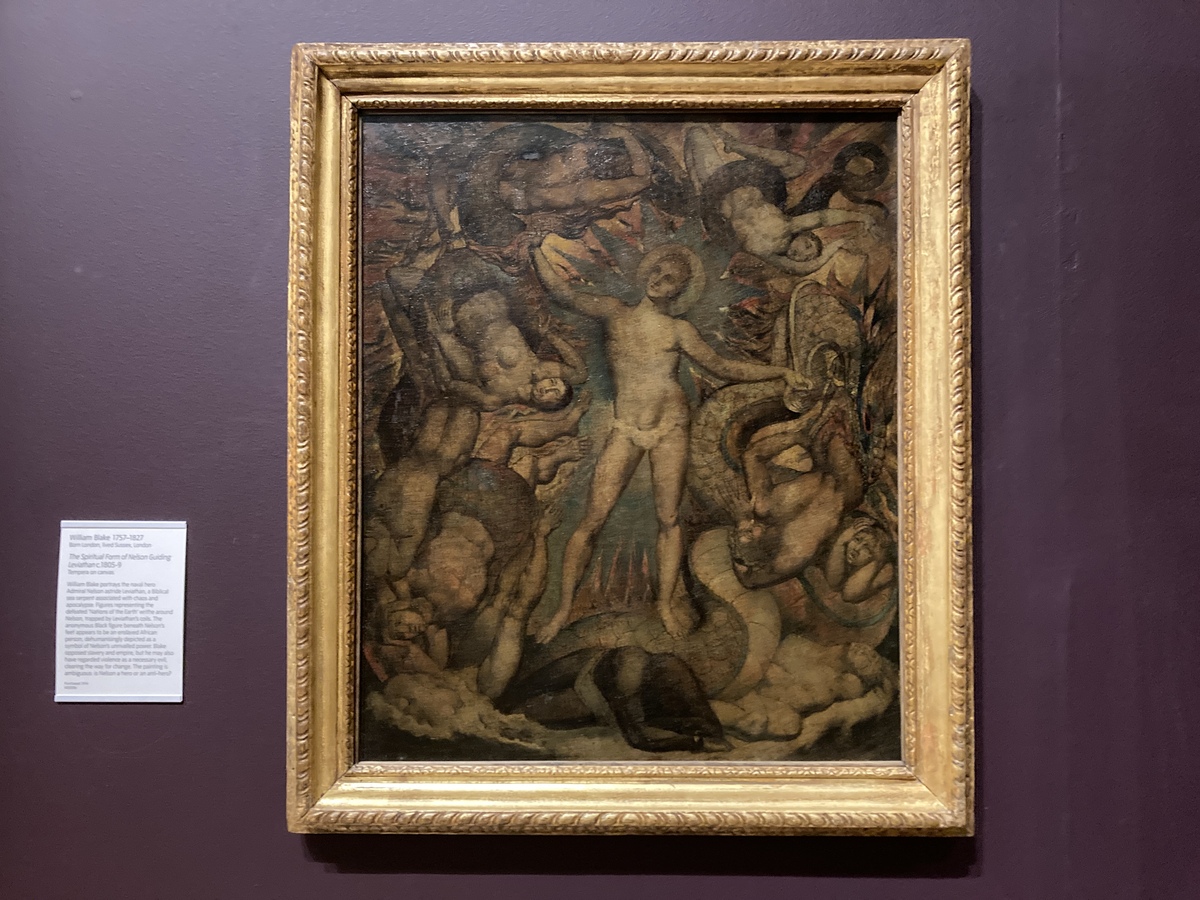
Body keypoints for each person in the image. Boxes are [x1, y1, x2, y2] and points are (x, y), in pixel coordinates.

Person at [533, 241, 807, 642]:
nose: (660, 281)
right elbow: (564, 294)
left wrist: (780, 373)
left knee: (668, 519)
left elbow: (723, 366)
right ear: (648, 272)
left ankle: (664, 604)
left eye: (671, 280)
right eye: (658, 272)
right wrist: (535, 249)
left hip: (670, 428)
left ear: (680, 290)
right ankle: (562, 610)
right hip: (626, 427)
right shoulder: (615, 312)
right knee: (591, 520)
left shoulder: (679, 330)